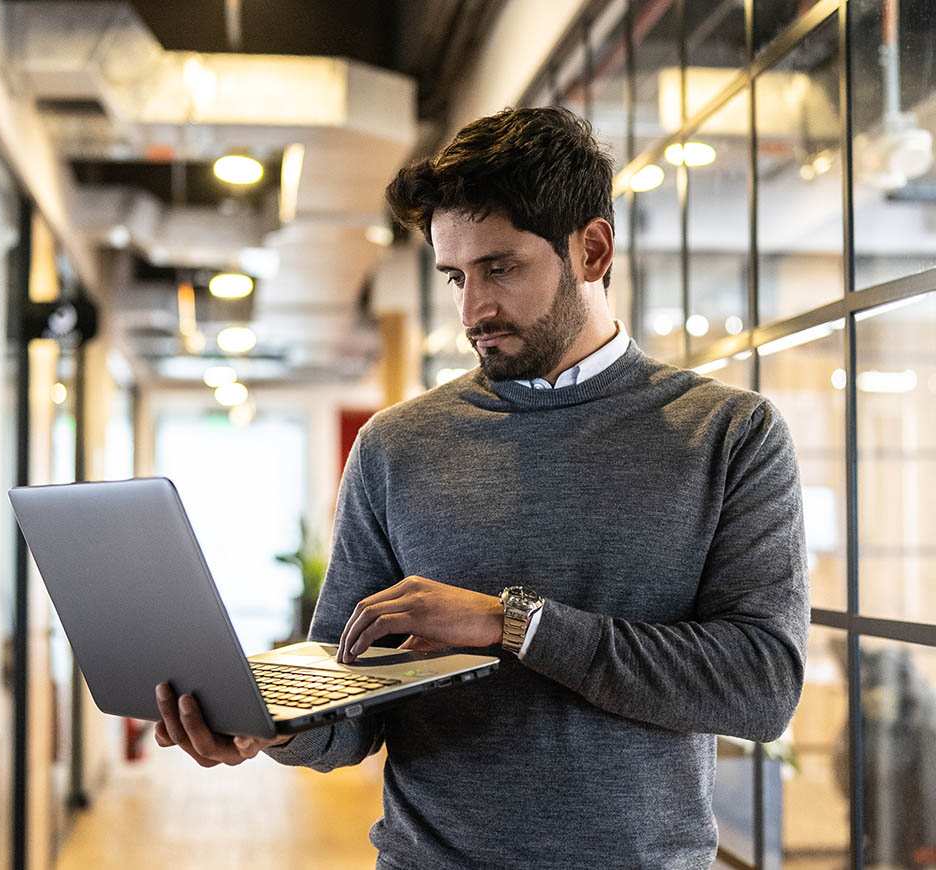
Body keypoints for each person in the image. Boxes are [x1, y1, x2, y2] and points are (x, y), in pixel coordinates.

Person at [154, 106, 810, 869]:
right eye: (455, 276)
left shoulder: (730, 435)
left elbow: (761, 687)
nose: (472, 311)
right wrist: (273, 725)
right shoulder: (395, 447)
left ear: (592, 249)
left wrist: (514, 624)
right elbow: (349, 699)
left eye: (500, 268)